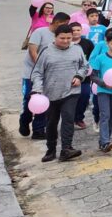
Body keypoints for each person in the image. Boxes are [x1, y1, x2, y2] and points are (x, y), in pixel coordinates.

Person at [29, 23, 88, 162]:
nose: (66, 41)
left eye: (69, 38)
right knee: (51, 123)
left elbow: (85, 65)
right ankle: (51, 150)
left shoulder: (77, 49)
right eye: (63, 38)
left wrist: (79, 76)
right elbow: (37, 73)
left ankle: (66, 149)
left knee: (68, 119)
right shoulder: (46, 51)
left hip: (71, 91)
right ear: (55, 37)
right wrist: (37, 90)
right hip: (50, 94)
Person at [21, 11, 70, 139]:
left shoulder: (60, 36)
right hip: (31, 73)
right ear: (57, 22)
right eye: (65, 24)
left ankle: (38, 130)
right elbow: (33, 52)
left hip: (50, 74)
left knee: (43, 101)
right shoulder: (40, 32)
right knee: (29, 99)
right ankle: (25, 120)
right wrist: (41, 67)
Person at [69, 22, 94, 130]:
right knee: (70, 99)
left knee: (85, 96)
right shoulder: (67, 42)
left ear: (81, 31)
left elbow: (93, 58)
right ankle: (69, 119)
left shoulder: (87, 43)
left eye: (78, 30)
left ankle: (79, 118)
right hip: (69, 76)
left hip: (85, 76)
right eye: (73, 30)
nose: (75, 32)